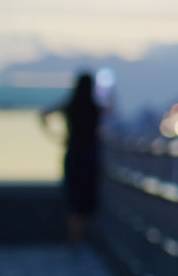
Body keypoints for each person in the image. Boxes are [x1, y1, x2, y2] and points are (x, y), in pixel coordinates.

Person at [41, 72, 103, 245]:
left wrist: (56, 136)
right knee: (85, 196)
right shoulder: (94, 107)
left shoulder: (70, 105)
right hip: (90, 155)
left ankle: (73, 238)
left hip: (73, 153)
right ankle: (81, 237)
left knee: (73, 196)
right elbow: (110, 111)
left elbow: (44, 114)